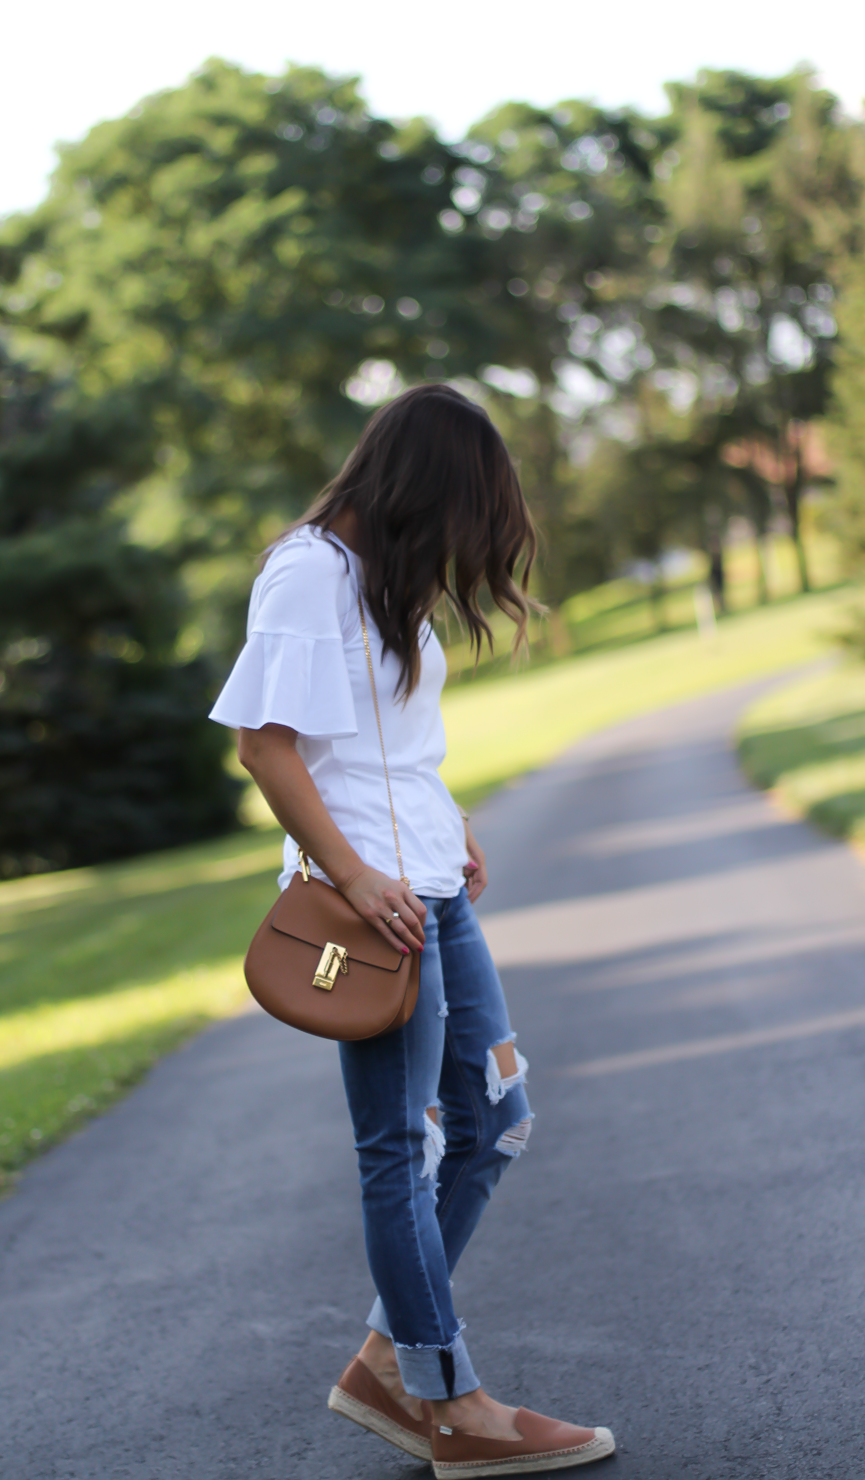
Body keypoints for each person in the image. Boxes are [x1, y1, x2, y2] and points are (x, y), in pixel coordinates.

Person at [209, 384, 614, 1477]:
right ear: (423, 487)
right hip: (365, 903)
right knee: (404, 1141)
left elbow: (380, 747)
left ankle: (390, 1358)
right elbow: (266, 745)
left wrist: (451, 821)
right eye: (467, 509)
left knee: (495, 1117)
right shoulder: (306, 572)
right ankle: (448, 1399)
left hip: (425, 875)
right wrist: (356, 870)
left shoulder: (377, 581)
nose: (467, 541)